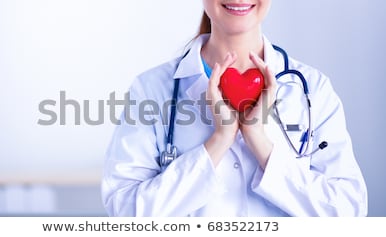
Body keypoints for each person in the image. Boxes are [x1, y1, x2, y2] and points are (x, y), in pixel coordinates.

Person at [101, 0, 368, 216]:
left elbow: (348, 212)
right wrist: (218, 142)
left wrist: (260, 144)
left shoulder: (313, 88)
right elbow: (125, 212)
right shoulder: (152, 89)